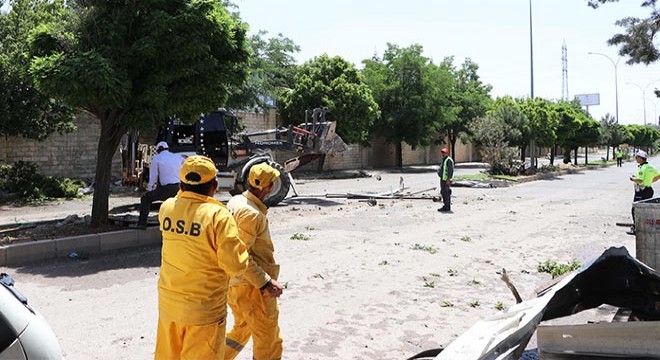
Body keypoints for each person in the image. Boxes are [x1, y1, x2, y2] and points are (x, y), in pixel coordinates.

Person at [154, 155, 250, 359]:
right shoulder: (219, 216)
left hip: (170, 307)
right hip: (203, 312)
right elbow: (234, 266)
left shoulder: (167, 208)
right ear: (214, 186)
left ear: (180, 184)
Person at [224, 162, 284, 360]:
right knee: (268, 338)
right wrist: (265, 282)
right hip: (252, 288)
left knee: (242, 329)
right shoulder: (252, 214)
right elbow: (240, 255)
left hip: (235, 285)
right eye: (271, 184)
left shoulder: (236, 201)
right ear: (266, 187)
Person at [135, 141, 184, 228]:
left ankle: (142, 224)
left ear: (158, 150)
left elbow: (153, 176)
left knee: (146, 199)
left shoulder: (157, 158)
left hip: (168, 188)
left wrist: (149, 190)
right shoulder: (178, 157)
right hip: (179, 187)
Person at [628, 150, 660, 235]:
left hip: (641, 191)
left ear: (641, 158)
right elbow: (658, 176)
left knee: (635, 209)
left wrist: (633, 179)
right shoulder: (650, 167)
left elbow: (640, 180)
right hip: (649, 190)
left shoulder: (642, 168)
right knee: (646, 209)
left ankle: (636, 228)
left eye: (637, 157)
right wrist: (650, 181)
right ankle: (646, 226)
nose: (636, 159)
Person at [437, 147, 454, 213]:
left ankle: (447, 207)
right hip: (443, 179)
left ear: (447, 153)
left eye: (444, 153)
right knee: (443, 192)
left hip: (446, 180)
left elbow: (450, 171)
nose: (443, 154)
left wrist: (448, 179)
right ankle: (445, 205)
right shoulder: (444, 160)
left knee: (446, 193)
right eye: (442, 153)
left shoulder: (449, 160)